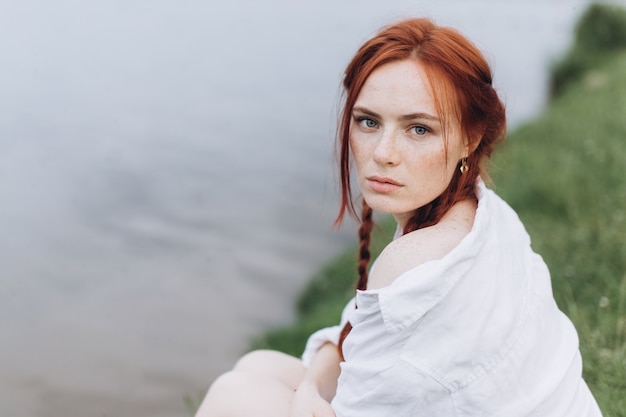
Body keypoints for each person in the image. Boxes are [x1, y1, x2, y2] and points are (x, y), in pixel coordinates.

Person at [194, 17, 603, 417]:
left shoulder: (413, 262)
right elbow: (349, 342)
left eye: (419, 129)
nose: (383, 152)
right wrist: (308, 390)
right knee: (260, 365)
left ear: (470, 136)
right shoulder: (488, 212)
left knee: (236, 395)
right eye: (368, 122)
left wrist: (307, 397)